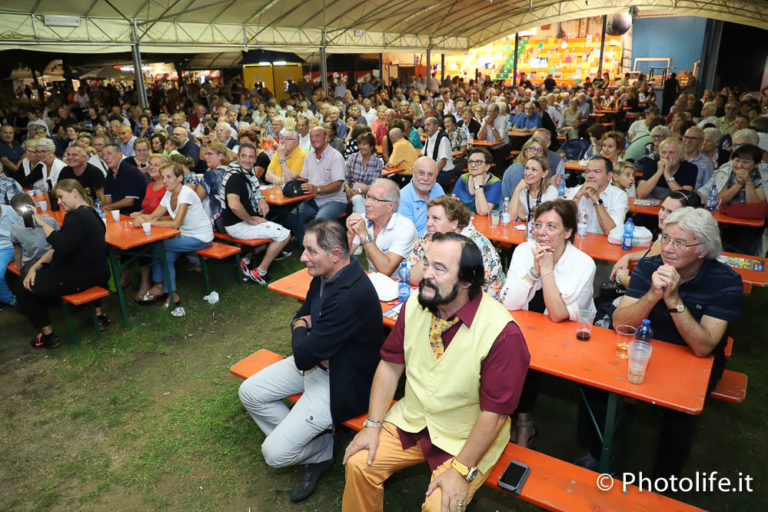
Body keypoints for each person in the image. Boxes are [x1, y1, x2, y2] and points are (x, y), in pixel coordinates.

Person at [342, 232, 530, 512]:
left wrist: (462, 469)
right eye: (426, 263)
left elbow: (495, 414)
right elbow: (391, 365)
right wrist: (373, 425)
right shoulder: (416, 304)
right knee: (359, 463)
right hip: (414, 420)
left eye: (439, 268)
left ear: (467, 280)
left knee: (441, 507)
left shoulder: (503, 334)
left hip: (467, 436)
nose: (426, 274)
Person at [577, 208, 742, 478]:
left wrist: (674, 300)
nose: (668, 248)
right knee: (593, 382)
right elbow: (621, 323)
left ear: (702, 250)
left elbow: (703, 347)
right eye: (666, 238)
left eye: (680, 242)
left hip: (692, 357)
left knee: (680, 414)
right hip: (645, 343)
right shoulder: (650, 266)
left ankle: (663, 482)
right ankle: (599, 454)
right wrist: (653, 294)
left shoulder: (725, 282)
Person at [239, 218, 383, 503]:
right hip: (320, 363)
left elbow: (304, 355)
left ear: (335, 255)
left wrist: (303, 330)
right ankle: (320, 445)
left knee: (274, 454)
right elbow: (301, 316)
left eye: (310, 251)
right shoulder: (324, 276)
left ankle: (317, 450)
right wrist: (304, 330)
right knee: (250, 392)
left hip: (341, 380)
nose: (303, 257)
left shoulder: (349, 294)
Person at [500, 199, 595, 447]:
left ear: (568, 232)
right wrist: (532, 271)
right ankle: (507, 419)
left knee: (524, 359)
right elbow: (509, 303)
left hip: (564, 339)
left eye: (551, 226)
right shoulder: (523, 251)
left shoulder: (584, 264)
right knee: (508, 350)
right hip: (526, 329)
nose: (542, 232)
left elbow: (558, 315)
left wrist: (546, 270)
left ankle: (522, 423)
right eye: (538, 225)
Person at [10, 179, 110, 348]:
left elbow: (61, 246)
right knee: (32, 274)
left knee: (22, 286)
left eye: (61, 197)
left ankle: (48, 336)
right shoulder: (91, 212)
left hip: (78, 277)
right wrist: (36, 266)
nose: (59, 202)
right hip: (98, 273)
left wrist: (41, 223)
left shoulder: (74, 217)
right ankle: (99, 316)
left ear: (75, 193)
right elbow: (60, 246)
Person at [131, 163, 213, 314]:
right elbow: (154, 215)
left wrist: (149, 221)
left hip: (201, 237)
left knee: (159, 247)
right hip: (185, 235)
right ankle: (171, 292)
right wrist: (141, 217)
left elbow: (176, 224)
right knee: (165, 252)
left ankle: (160, 285)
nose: (165, 181)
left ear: (180, 178)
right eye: (163, 177)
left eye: (169, 177)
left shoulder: (186, 193)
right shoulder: (168, 194)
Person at [408, 196, 505, 300]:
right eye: (428, 218)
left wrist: (431, 257)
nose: (428, 224)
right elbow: (410, 277)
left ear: (454, 224)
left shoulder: (474, 246)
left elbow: (464, 293)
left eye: (435, 218)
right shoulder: (429, 237)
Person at [221, 143, 292, 285]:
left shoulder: (246, 172)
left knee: (271, 231)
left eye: (251, 157)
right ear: (238, 157)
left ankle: (245, 261)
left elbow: (255, 189)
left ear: (255, 159)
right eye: (244, 156)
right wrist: (251, 220)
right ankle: (260, 272)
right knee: (284, 234)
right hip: (237, 224)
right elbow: (234, 205)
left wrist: (261, 198)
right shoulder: (235, 176)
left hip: (238, 221)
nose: (247, 160)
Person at [611, 190, 702, 288]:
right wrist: (628, 257)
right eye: (662, 208)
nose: (662, 215)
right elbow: (654, 250)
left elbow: (645, 285)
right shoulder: (680, 237)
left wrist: (620, 277)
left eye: (670, 212)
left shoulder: (677, 247)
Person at [346, 179, 418, 276]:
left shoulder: (405, 228)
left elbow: (386, 270)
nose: (366, 203)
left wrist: (365, 235)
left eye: (375, 199)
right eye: (368, 197)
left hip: (401, 284)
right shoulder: (363, 220)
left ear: (390, 206)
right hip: (374, 281)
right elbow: (342, 260)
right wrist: (350, 234)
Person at [129, 154, 167, 303]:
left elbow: (171, 216)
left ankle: (147, 283)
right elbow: (148, 208)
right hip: (149, 226)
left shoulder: (168, 186)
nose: (151, 166)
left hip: (163, 228)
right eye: (151, 163)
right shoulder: (150, 185)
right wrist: (139, 213)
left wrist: (147, 218)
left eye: (156, 164)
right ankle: (133, 279)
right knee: (131, 243)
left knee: (143, 246)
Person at [564, 156, 628, 235]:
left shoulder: (619, 196)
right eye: (587, 172)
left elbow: (612, 232)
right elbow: (563, 221)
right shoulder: (577, 190)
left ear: (609, 175)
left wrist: (596, 200)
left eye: (596, 172)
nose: (590, 176)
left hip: (604, 244)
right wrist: (579, 194)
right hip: (578, 240)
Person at [397, 156, 445, 236]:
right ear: (413, 172)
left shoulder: (437, 188)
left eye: (430, 174)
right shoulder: (402, 198)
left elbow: (446, 217)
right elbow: (408, 236)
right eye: (421, 173)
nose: (425, 178)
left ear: (436, 176)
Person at [506, 155, 558, 221]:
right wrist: (517, 190)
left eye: (534, 170)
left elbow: (544, 220)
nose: (528, 173)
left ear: (544, 173)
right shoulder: (521, 189)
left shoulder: (551, 191)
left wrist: (524, 216)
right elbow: (510, 218)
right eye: (527, 168)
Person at [453, 147, 501, 215]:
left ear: (487, 166)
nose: (473, 165)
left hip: (486, 222)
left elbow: (483, 212)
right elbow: (454, 206)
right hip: (465, 220)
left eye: (478, 162)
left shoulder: (495, 183)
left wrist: (478, 186)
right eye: (470, 162)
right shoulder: (463, 178)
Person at [344, 132, 384, 214]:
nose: (361, 147)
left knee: (357, 199)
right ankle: (364, 222)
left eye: (365, 144)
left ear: (371, 147)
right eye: (360, 144)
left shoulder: (377, 162)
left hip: (368, 194)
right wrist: (347, 189)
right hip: (350, 192)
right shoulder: (352, 158)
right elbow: (345, 178)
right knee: (357, 199)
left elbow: (374, 185)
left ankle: (361, 222)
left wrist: (359, 191)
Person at [101, 144, 146, 214]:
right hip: (116, 213)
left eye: (109, 154)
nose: (105, 158)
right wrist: (106, 209)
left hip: (134, 214)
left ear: (120, 154)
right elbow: (108, 198)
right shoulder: (110, 172)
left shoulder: (131, 171)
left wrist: (107, 207)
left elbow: (129, 201)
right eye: (103, 155)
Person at [501, 136, 549, 201]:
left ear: (543, 155)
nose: (535, 152)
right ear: (525, 152)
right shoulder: (518, 169)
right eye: (532, 149)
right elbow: (517, 200)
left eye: (539, 150)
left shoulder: (538, 171)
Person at [477, 103, 510, 174]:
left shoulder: (502, 120)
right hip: (490, 146)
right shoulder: (485, 119)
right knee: (481, 152)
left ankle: (498, 175)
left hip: (502, 146)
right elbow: (479, 137)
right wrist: (485, 124)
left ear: (496, 112)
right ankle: (483, 173)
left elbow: (499, 138)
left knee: (498, 156)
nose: (488, 114)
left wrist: (491, 125)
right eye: (487, 112)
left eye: (490, 112)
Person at [421, 117, 454, 187]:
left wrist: (432, 174)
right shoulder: (429, 138)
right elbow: (423, 155)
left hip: (444, 172)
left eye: (428, 125)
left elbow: (443, 161)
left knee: (424, 182)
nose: (425, 128)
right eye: (425, 125)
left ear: (436, 126)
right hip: (430, 169)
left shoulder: (443, 139)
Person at [681, 126, 715, 191]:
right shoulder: (675, 157)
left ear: (701, 142)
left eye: (693, 138)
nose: (688, 141)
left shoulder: (706, 163)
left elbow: (708, 188)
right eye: (686, 137)